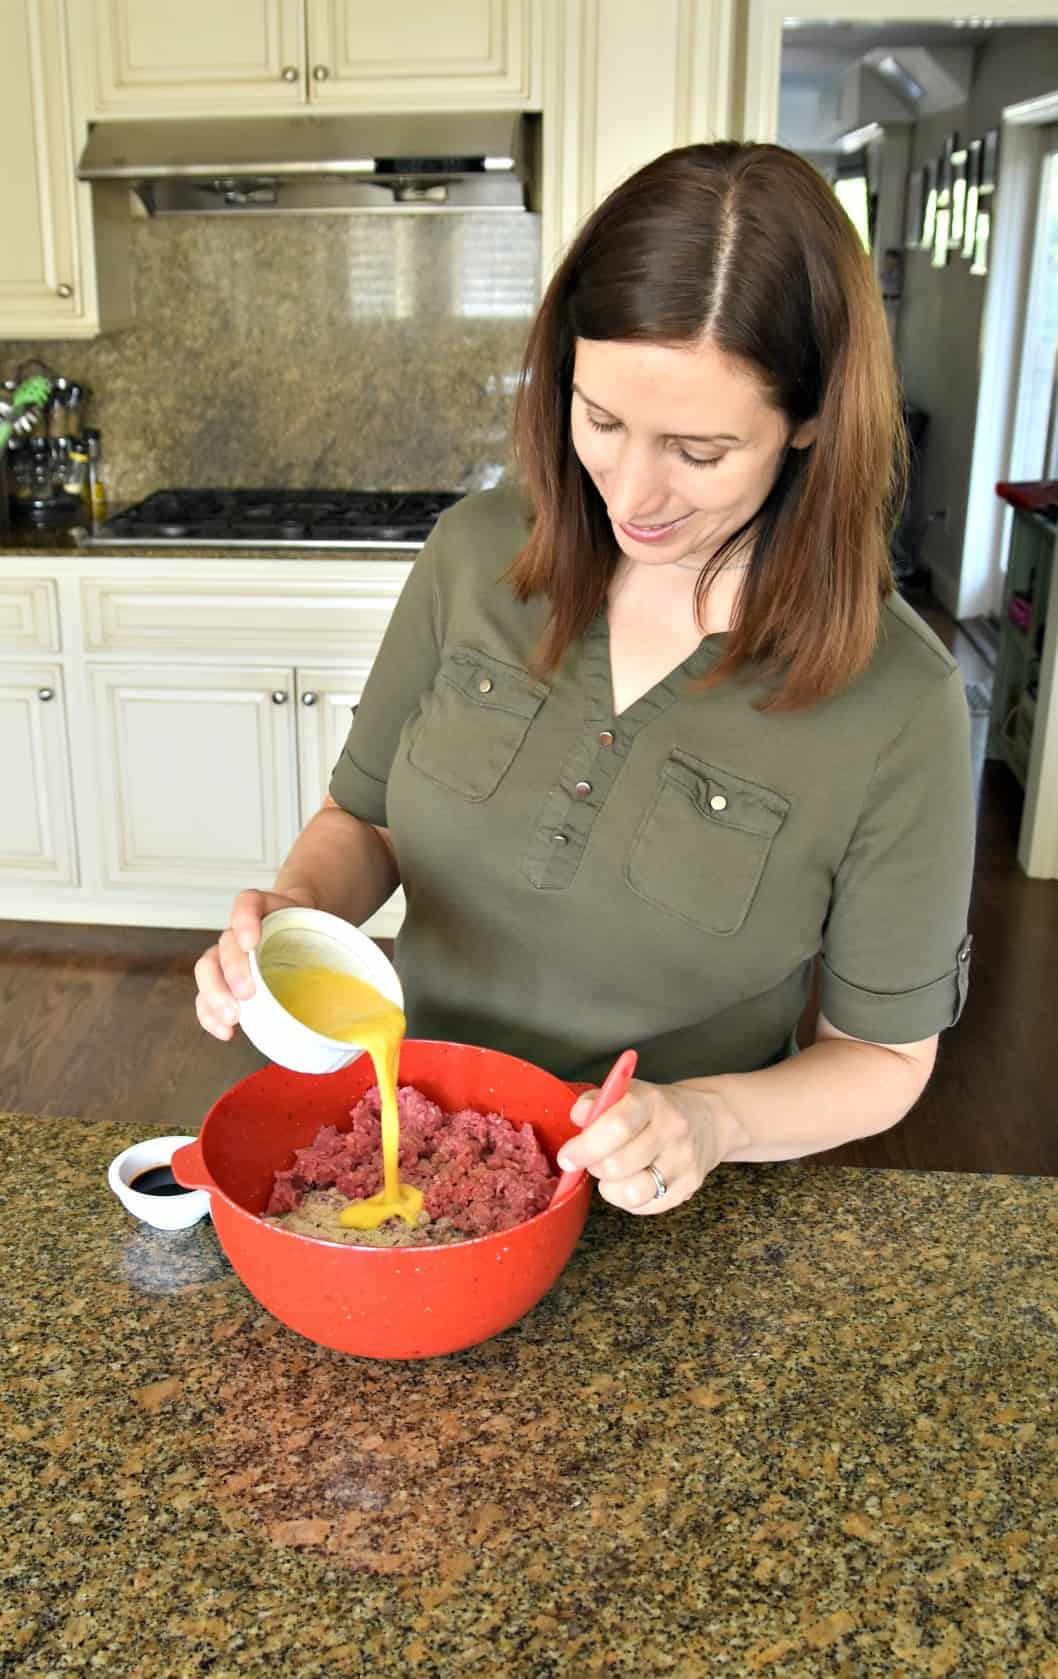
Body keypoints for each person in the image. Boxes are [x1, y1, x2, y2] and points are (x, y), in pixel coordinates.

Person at [194, 140, 975, 1221]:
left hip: (662, 1215)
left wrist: (707, 1118)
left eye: (698, 451)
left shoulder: (898, 707)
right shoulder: (475, 555)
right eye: (600, 420)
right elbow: (363, 823)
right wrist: (287, 919)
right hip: (397, 1156)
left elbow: (882, 1059)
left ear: (807, 423)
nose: (632, 491)